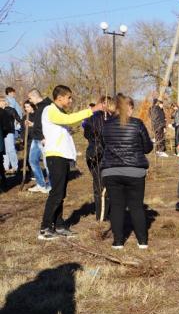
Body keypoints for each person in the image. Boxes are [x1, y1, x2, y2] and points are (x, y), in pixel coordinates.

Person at [38, 85, 104, 240]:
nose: (70, 100)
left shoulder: (59, 111)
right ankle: (45, 227)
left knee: (61, 193)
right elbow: (68, 120)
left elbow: (65, 126)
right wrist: (92, 110)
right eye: (69, 97)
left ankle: (59, 225)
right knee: (56, 193)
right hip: (55, 156)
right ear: (59, 98)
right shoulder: (50, 109)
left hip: (62, 156)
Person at [100, 94, 152, 249]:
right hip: (135, 170)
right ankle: (142, 241)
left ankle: (118, 242)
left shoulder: (106, 125)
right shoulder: (137, 124)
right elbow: (148, 147)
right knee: (136, 206)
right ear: (128, 108)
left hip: (111, 170)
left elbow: (104, 146)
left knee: (116, 206)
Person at [83, 96, 113, 220]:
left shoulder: (111, 118)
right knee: (101, 185)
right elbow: (87, 133)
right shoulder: (94, 118)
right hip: (97, 154)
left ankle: (104, 214)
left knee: (103, 185)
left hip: (102, 154)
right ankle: (102, 215)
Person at [26, 89, 50, 193]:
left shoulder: (47, 106)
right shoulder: (39, 107)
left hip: (44, 139)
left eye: (30, 98)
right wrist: (33, 125)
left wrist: (45, 136)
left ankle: (50, 186)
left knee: (47, 164)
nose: (30, 101)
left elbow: (49, 122)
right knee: (32, 161)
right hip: (36, 139)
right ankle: (41, 184)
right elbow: (40, 122)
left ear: (35, 96)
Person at [3, 87, 21, 174]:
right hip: (2, 132)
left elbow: (18, 117)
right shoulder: (1, 110)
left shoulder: (11, 109)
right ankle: (6, 167)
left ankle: (14, 166)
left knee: (10, 149)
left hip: (9, 131)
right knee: (4, 150)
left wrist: (19, 125)